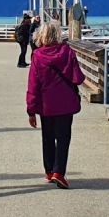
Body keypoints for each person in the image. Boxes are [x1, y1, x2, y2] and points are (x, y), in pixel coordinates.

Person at [25, 19, 84, 189]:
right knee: (63, 138)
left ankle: (50, 170)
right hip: (66, 103)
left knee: (48, 137)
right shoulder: (67, 52)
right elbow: (78, 78)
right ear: (58, 35)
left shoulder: (37, 56)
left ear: (41, 36)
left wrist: (31, 110)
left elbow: (33, 85)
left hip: (46, 105)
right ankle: (59, 172)